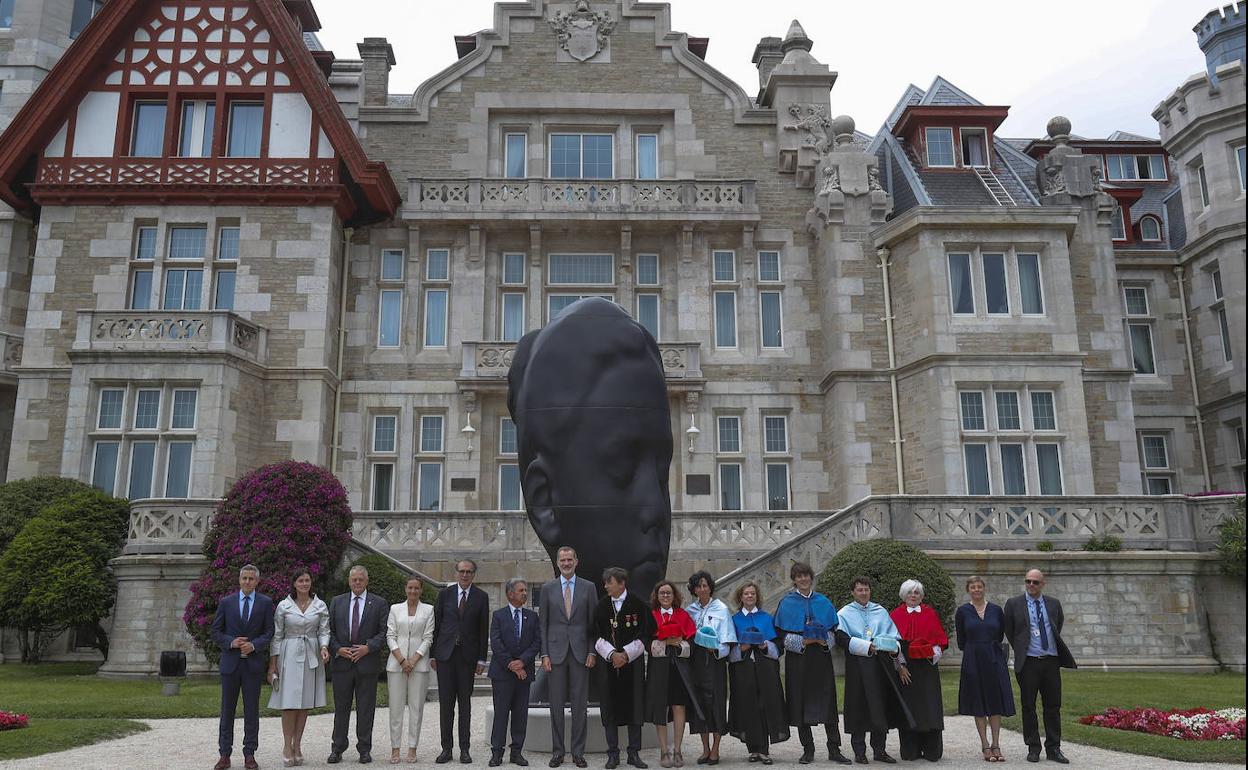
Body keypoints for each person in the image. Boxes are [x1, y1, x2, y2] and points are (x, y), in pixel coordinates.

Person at [774, 562, 851, 765]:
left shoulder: (823, 601)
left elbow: (834, 629)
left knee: (828, 702)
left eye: (806, 575)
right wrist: (804, 642)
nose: (803, 579)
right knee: (799, 702)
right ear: (794, 579)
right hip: (798, 659)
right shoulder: (787, 602)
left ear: (811, 577)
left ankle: (834, 748)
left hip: (821, 658)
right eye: (799, 576)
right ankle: (808, 749)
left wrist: (824, 641)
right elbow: (781, 635)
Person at [835, 576, 912, 764]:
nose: (863, 593)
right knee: (858, 706)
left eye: (866, 589)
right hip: (858, 665)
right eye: (859, 590)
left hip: (881, 665)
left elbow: (895, 637)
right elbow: (841, 639)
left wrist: (893, 647)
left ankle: (880, 750)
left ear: (870, 591)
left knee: (880, 706)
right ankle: (859, 751)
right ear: (853, 592)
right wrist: (865, 646)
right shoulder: (844, 613)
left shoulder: (880, 611)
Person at [1003, 569, 1076, 765]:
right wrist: (1022, 648)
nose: (1031, 585)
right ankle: (1033, 747)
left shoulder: (1053, 603)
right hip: (1028, 662)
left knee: (1053, 706)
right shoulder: (1013, 604)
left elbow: (1056, 625)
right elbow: (1010, 631)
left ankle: (1053, 748)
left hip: (1051, 661)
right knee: (1028, 706)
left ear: (1043, 584)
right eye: (1028, 581)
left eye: (1035, 582)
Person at [539, 546, 599, 768]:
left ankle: (577, 752)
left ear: (576, 561)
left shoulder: (588, 587)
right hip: (554, 654)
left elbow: (594, 625)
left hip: (581, 653)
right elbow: (542, 624)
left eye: (569, 559)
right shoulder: (547, 588)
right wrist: (544, 654)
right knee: (555, 704)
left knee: (579, 705)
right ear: (557, 563)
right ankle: (558, 752)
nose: (566, 563)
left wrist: (592, 651)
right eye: (562, 560)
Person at [211, 564, 275, 770]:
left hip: (253, 666)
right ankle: (224, 754)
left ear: (257, 581)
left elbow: (269, 632)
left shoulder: (265, 603)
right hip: (230, 664)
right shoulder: (226, 602)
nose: (247, 582)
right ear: (239, 580)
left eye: (251, 579)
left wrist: (254, 645)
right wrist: (231, 641)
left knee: (251, 711)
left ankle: (249, 753)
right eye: (244, 578)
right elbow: (216, 631)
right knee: (227, 710)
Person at [267, 569, 330, 767]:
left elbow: (324, 630)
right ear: (294, 584)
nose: (304, 583)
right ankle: (287, 745)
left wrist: (324, 647)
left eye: (307, 580)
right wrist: (273, 665)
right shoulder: (284, 606)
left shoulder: (320, 605)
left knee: (304, 703)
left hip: (312, 653)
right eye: (300, 580)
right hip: (289, 653)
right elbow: (277, 636)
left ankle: (298, 745)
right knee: (289, 702)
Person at [328, 564, 389, 765]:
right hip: (342, 665)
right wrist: (338, 649)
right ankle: (337, 748)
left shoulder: (379, 603)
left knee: (366, 709)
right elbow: (330, 632)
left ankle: (364, 749)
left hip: (367, 664)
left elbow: (383, 633)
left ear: (367, 581)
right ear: (349, 581)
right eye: (354, 579)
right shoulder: (337, 602)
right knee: (341, 708)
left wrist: (368, 647)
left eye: (361, 579)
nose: (357, 582)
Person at [433, 559, 491, 764]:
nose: (465, 575)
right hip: (446, 657)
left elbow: (484, 630)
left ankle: (464, 749)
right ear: (456, 573)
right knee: (446, 705)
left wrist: (482, 659)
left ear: (474, 574)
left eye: (469, 572)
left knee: (465, 705)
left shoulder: (481, 597)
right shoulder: (444, 595)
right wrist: (433, 654)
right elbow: (437, 625)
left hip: (468, 658)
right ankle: (446, 749)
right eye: (462, 571)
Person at [594, 567, 652, 770]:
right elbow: (595, 634)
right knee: (609, 708)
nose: (606, 586)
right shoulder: (601, 606)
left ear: (621, 583)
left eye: (609, 582)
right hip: (608, 665)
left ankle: (634, 753)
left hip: (632, 665)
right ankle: (613, 753)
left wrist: (626, 655)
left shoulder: (638, 604)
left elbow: (645, 633)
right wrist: (612, 655)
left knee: (634, 707)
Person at [727, 582, 788, 765]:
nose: (750, 596)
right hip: (743, 667)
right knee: (748, 706)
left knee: (764, 705)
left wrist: (764, 645)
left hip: (765, 667)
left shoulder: (766, 618)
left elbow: (778, 646)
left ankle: (763, 750)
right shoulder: (734, 619)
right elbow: (728, 648)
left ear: (757, 596)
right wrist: (742, 647)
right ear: (740, 597)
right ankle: (752, 748)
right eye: (746, 594)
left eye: (752, 593)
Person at [955, 575, 1015, 763]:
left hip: (994, 657)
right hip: (973, 659)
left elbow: (1000, 633)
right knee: (978, 702)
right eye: (973, 587)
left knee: (995, 700)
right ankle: (985, 744)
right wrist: (976, 649)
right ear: (968, 590)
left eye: (979, 586)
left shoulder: (996, 610)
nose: (976, 590)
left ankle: (996, 743)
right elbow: (961, 640)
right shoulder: (963, 611)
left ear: (984, 588)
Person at [889, 580, 947, 762]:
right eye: (910, 592)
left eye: (916, 593)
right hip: (906, 668)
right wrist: (900, 666)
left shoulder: (930, 613)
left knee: (930, 706)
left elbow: (939, 641)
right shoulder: (895, 614)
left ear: (921, 596)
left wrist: (932, 656)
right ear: (904, 595)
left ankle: (932, 749)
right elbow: (892, 644)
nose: (913, 595)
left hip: (927, 668)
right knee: (909, 707)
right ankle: (910, 748)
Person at [644, 580, 699, 769]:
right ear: (657, 597)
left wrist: (678, 643)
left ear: (674, 596)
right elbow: (645, 643)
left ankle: (677, 750)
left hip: (679, 669)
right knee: (661, 707)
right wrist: (665, 643)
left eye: (668, 593)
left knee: (678, 707)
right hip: (658, 668)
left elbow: (692, 643)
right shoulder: (650, 616)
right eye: (662, 593)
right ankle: (663, 751)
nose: (665, 596)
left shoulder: (683, 615)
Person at [488, 578, 541, 768]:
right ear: (510, 594)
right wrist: (511, 664)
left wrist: (522, 662)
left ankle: (516, 752)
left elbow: (537, 642)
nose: (525, 593)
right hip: (502, 673)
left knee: (520, 715)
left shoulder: (532, 616)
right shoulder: (499, 615)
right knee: (501, 713)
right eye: (521, 590)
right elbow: (496, 642)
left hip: (524, 674)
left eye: (526, 590)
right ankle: (497, 752)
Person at [685, 571, 735, 766]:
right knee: (699, 706)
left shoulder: (721, 609)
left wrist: (714, 649)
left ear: (710, 587)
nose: (702, 589)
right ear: (694, 589)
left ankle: (715, 748)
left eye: (705, 585)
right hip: (696, 663)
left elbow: (728, 640)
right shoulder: (690, 611)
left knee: (715, 705)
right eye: (698, 586)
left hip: (714, 663)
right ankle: (705, 748)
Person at [387, 576, 435, 764]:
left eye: (416, 588)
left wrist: (413, 660)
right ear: (405, 589)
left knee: (416, 708)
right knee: (396, 708)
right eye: (410, 588)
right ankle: (395, 748)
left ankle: (413, 748)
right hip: (396, 664)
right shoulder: (394, 609)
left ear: (421, 590)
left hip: (419, 665)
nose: (413, 591)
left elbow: (428, 637)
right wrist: (401, 659)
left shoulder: (428, 610)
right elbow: (390, 635)